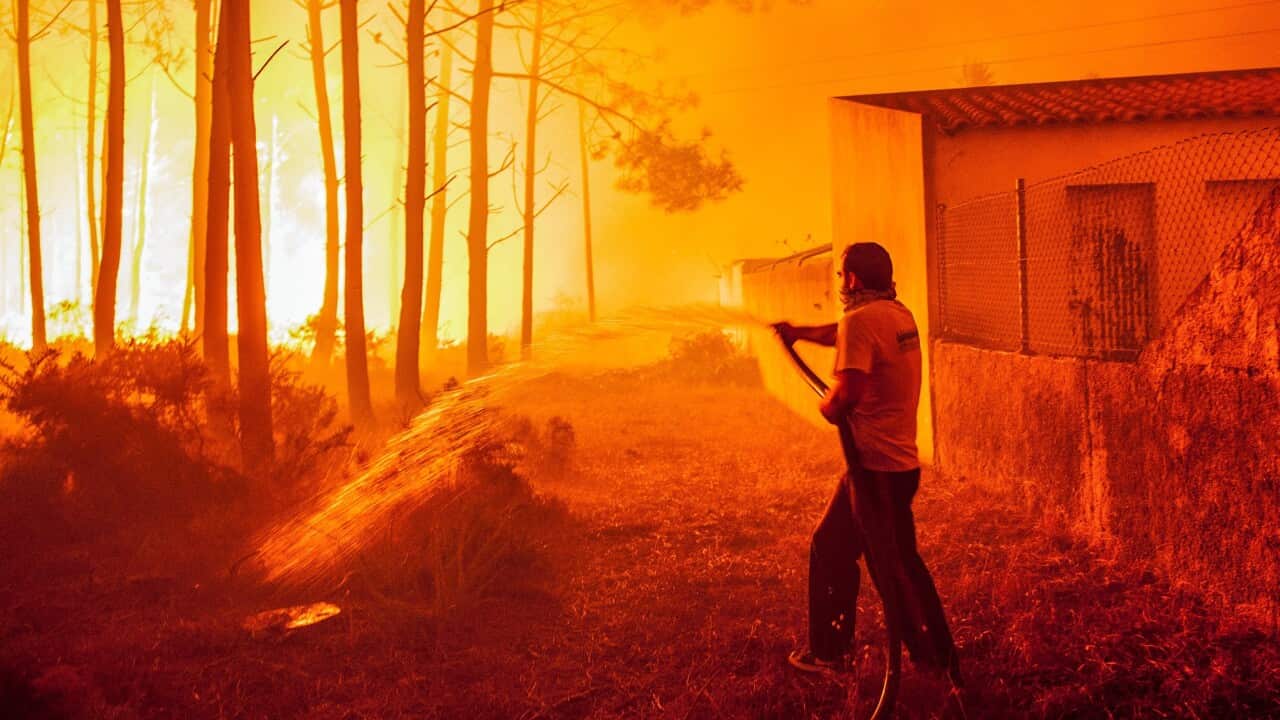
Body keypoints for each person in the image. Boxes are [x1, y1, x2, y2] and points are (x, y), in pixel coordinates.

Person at [773, 242, 961, 685]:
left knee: (869, 559)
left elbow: (846, 397)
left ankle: (839, 654)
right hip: (897, 466)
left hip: (874, 469)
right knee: (883, 560)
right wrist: (798, 332)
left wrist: (827, 404)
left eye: (841, 275)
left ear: (853, 279)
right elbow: (843, 334)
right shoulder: (896, 314)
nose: (840, 282)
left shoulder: (861, 322)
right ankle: (934, 658)